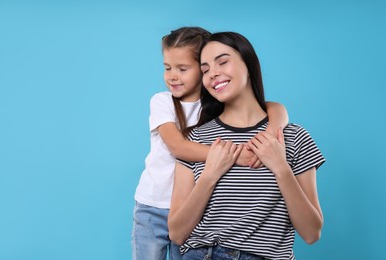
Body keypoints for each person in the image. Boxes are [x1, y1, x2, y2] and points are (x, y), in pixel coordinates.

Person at [132, 27, 289, 260]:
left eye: (182, 69)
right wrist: (234, 156)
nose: (172, 76)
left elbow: (275, 108)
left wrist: (270, 133)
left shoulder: (215, 104)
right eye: (167, 68)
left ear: (201, 67)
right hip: (153, 205)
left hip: (192, 209)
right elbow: (178, 147)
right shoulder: (162, 102)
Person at [168, 31, 326, 260]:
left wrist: (281, 168)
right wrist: (210, 174)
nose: (213, 73)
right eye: (205, 69)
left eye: (222, 61)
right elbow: (177, 233)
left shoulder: (293, 137)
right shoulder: (197, 140)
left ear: (248, 63)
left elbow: (312, 233)